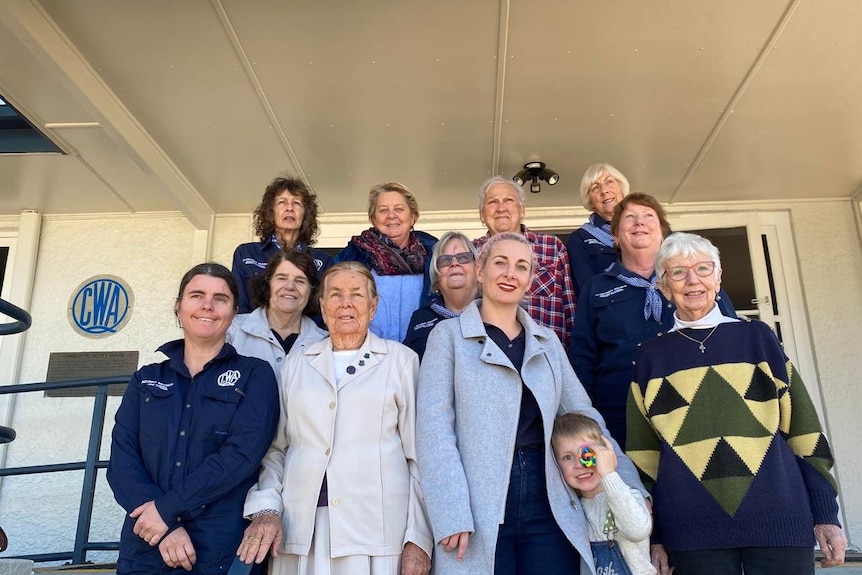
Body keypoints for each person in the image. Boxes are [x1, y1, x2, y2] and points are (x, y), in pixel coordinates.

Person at [416, 232, 646, 575]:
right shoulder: (447, 338)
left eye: (521, 267)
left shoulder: (547, 341)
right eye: (500, 263)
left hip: (549, 496)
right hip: (479, 502)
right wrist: (450, 509)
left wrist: (630, 484)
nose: (510, 273)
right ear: (480, 270)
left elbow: (583, 415)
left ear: (529, 281)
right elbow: (434, 429)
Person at [626, 232, 846, 575]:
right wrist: (654, 537)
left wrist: (826, 516)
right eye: (678, 272)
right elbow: (643, 457)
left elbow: (805, 433)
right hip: (692, 531)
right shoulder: (650, 357)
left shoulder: (758, 339)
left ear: (718, 277)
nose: (692, 280)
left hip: (779, 520)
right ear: (664, 286)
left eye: (703, 268)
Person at [236, 261, 433, 575]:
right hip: (301, 530)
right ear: (323, 306)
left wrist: (418, 537)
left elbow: (420, 457)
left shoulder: (401, 361)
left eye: (357, 294)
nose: (346, 303)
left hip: (377, 533)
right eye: (336, 294)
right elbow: (276, 449)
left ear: (373, 306)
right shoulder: (297, 364)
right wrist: (267, 509)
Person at [107, 263, 279, 574]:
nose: (207, 306)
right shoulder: (145, 379)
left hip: (220, 550)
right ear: (178, 306)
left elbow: (241, 455)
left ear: (234, 312)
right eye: (196, 295)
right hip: (147, 544)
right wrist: (165, 526)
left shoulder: (255, 375)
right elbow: (122, 461)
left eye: (220, 298)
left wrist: (167, 510)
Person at [568, 193, 736, 447]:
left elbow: (730, 337)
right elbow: (583, 358)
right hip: (620, 416)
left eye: (648, 217)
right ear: (615, 236)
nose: (639, 223)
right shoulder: (596, 289)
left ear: (663, 234)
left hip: (693, 409)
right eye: (630, 218)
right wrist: (586, 418)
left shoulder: (694, 283)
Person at [473, 176, 576, 347]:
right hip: (487, 356)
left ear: (522, 211)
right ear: (482, 215)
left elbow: (570, 308)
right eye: (492, 202)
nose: (501, 208)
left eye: (508, 200)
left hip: (545, 354)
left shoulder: (552, 247)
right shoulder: (471, 253)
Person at [552, 413, 655, 575]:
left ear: (606, 454)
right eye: (567, 457)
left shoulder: (627, 494)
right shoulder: (573, 510)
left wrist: (609, 474)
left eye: (587, 454)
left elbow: (638, 530)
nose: (579, 464)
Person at [334, 182, 437, 342]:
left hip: (422, 353)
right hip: (368, 356)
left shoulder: (435, 255)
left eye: (399, 209)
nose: (391, 215)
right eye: (383, 210)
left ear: (413, 216)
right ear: (373, 218)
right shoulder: (353, 256)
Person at [232, 176, 331, 314]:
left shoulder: (323, 262)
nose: (289, 208)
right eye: (282, 202)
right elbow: (239, 306)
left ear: (305, 215)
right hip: (253, 333)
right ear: (271, 212)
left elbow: (322, 313)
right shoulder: (246, 254)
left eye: (297, 203)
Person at [228, 249, 327, 382]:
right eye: (281, 278)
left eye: (300, 281)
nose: (290, 286)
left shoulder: (323, 343)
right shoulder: (232, 331)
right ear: (267, 285)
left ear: (311, 291)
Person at [403, 231, 479, 359]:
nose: (454, 263)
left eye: (464, 258)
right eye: (445, 260)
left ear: (478, 271)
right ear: (436, 276)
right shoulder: (420, 317)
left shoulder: (493, 313)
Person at [567, 163, 630, 298]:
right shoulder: (579, 240)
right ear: (589, 200)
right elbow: (588, 291)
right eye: (595, 187)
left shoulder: (648, 226)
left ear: (622, 188)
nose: (604, 191)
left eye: (609, 182)